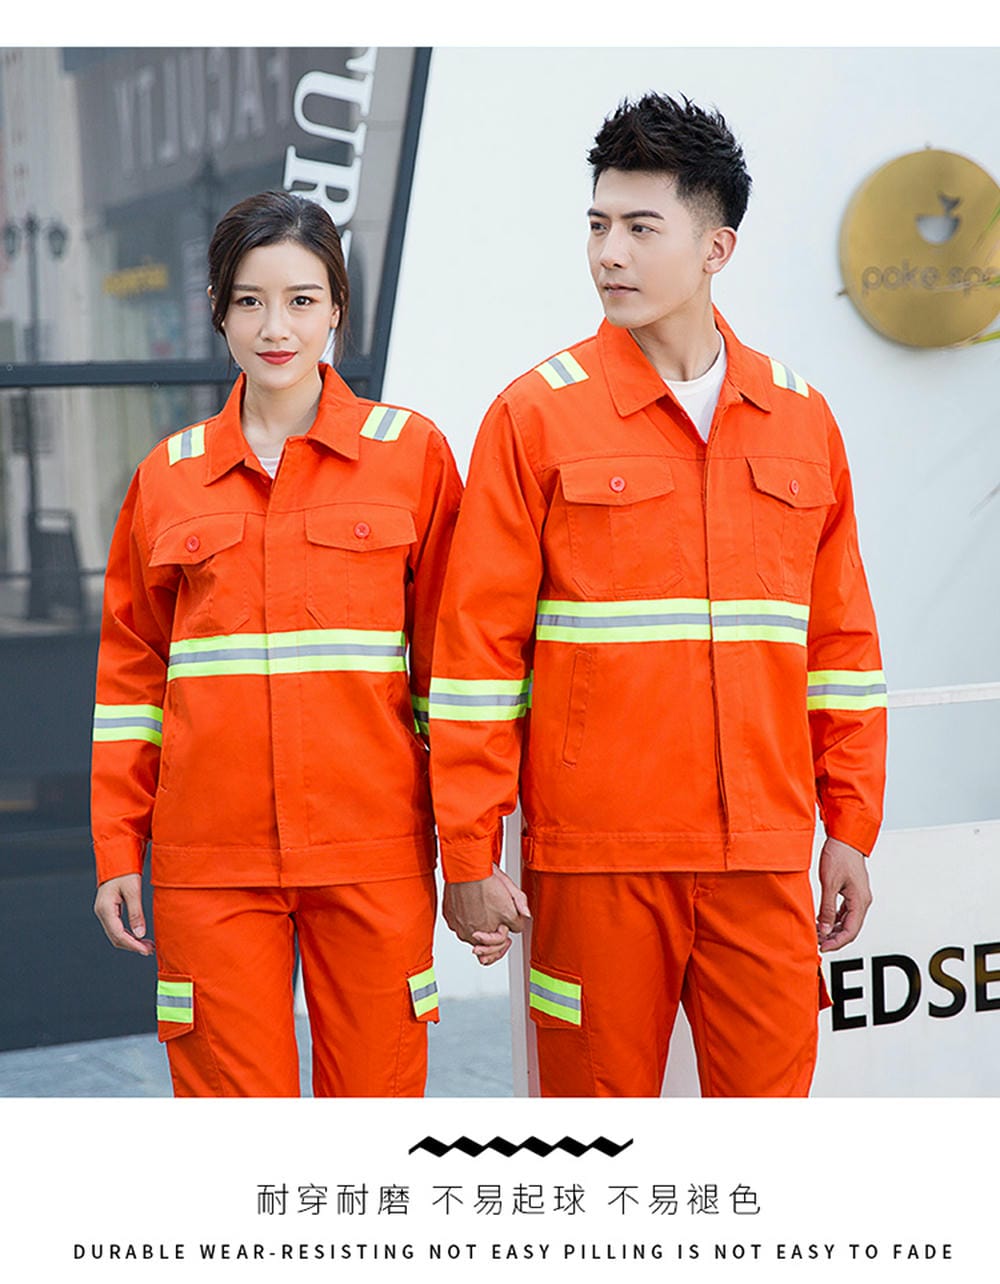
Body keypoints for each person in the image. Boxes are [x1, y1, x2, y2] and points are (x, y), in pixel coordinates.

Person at [428, 94, 887, 1097]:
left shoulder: (800, 422)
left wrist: (850, 827)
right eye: (597, 225)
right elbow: (475, 656)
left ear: (717, 247)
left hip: (762, 861)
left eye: (641, 228)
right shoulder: (535, 418)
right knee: (593, 1144)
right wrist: (467, 850)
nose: (609, 255)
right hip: (595, 867)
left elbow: (841, 649)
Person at [91, 191, 462, 1097]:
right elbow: (131, 683)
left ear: (337, 307)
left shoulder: (411, 456)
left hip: (373, 849)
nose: (275, 328)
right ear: (217, 311)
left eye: (301, 299)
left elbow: (454, 671)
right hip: (211, 864)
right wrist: (117, 849)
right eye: (250, 301)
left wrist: (471, 851)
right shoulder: (169, 477)